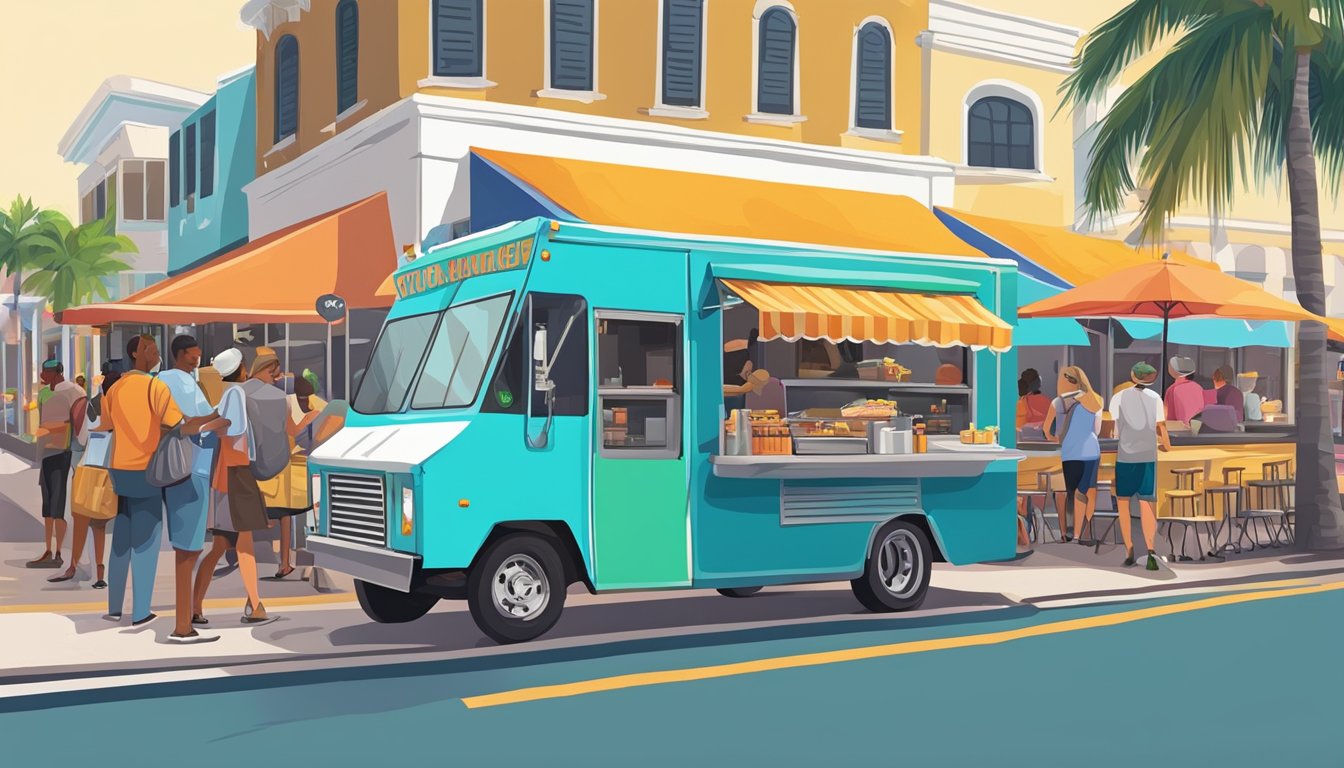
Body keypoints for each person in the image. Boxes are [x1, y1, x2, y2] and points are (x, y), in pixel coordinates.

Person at [103, 335, 217, 626]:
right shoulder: (155, 386)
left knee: (121, 538)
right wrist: (213, 419)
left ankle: (115, 607)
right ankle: (140, 611)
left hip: (119, 468)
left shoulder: (115, 389)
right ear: (136, 353)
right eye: (150, 349)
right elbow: (179, 425)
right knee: (146, 541)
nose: (155, 353)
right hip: (146, 469)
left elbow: (105, 425)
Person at [192, 349, 279, 627]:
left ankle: (197, 607)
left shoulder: (227, 394)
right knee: (243, 545)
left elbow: (223, 423)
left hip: (226, 474)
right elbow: (233, 424)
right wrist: (204, 427)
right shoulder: (237, 394)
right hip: (236, 474)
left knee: (222, 546)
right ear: (241, 368)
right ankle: (255, 606)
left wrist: (203, 426)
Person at [158, 335, 229, 643]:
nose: (196, 360)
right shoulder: (180, 382)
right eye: (191, 355)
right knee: (188, 548)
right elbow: (191, 423)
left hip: (182, 466)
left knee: (189, 547)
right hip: (192, 465)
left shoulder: (171, 380)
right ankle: (183, 625)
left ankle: (186, 618)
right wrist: (221, 416)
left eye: (198, 355)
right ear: (179, 355)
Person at [49, 363, 122, 587]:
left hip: (87, 466)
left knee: (80, 522)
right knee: (99, 526)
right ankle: (100, 575)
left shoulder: (92, 405)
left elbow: (81, 439)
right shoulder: (123, 409)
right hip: (108, 471)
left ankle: (73, 567)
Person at [1108, 362, 1171, 570]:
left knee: (1123, 504)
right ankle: (1151, 551)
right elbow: (1161, 427)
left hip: (1126, 456)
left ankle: (1129, 550)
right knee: (1147, 504)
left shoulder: (1119, 397)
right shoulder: (1155, 398)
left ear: (1132, 375)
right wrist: (1167, 446)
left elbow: (1116, 429)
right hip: (1148, 456)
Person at [27, 361, 86, 569]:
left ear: (57, 373)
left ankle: (59, 551)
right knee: (47, 504)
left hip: (62, 452)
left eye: (47, 371)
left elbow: (79, 423)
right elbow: (42, 421)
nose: (43, 374)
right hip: (46, 452)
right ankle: (48, 549)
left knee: (58, 503)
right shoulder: (43, 394)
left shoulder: (74, 391)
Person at [270, 370, 326, 580]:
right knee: (309, 513)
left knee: (290, 516)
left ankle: (286, 563)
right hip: (303, 465)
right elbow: (294, 431)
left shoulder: (291, 404)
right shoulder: (315, 409)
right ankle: (303, 561)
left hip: (293, 463)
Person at [1043, 366, 1104, 544]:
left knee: (1071, 492)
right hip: (1091, 452)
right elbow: (1097, 430)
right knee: (1084, 491)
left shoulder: (1058, 402)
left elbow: (1047, 430)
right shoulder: (1096, 400)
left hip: (1069, 453)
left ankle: (1067, 533)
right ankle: (1081, 533)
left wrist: (1058, 438)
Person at [1164, 356, 1204, 426]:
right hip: (1197, 429)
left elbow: (1169, 416)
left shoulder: (1173, 389)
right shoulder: (1198, 387)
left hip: (1180, 432)